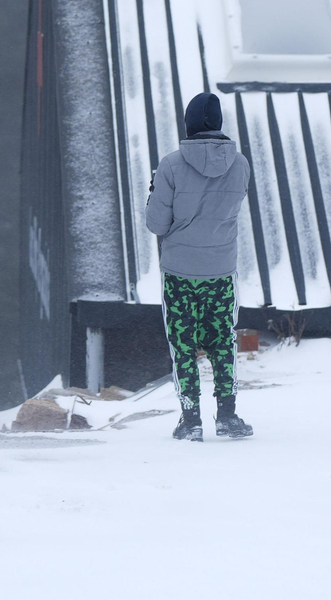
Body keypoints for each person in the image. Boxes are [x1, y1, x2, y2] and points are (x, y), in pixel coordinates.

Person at [145, 92, 254, 441]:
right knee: (223, 340)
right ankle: (228, 415)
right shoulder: (241, 164)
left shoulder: (171, 164)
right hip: (221, 269)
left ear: (189, 123)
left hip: (179, 271)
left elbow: (156, 224)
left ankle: (190, 419)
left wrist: (153, 193)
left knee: (183, 343)